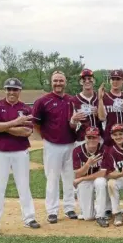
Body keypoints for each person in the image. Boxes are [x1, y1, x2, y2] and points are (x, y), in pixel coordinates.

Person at [0, 78, 40, 235]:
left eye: (15, 89)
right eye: (9, 89)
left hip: (20, 151)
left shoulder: (26, 109)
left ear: (19, 91)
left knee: (24, 185)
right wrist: (16, 122)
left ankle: (29, 218)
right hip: (0, 151)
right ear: (5, 90)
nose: (11, 92)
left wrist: (4, 127)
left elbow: (27, 132)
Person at [32, 70, 78, 223]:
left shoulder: (71, 100)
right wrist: (45, 137)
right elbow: (36, 123)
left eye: (61, 80)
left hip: (70, 143)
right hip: (52, 144)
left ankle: (69, 207)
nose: (58, 83)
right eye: (55, 80)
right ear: (51, 82)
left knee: (69, 177)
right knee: (52, 178)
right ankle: (52, 210)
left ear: (65, 82)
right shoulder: (43, 101)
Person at [72, 127, 108, 227]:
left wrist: (83, 178)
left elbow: (103, 173)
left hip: (95, 179)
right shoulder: (77, 150)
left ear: (99, 138)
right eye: (89, 137)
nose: (92, 140)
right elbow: (78, 174)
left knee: (101, 182)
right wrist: (88, 164)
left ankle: (101, 215)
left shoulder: (104, 149)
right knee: (88, 217)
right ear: (85, 138)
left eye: (94, 137)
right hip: (85, 182)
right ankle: (95, 210)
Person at [97, 69, 123, 146]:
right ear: (110, 81)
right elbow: (101, 118)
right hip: (109, 137)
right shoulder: (104, 97)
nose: (115, 81)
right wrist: (100, 98)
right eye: (113, 79)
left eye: (118, 79)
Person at [70, 68, 103, 146]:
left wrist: (98, 114)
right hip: (82, 140)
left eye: (89, 79)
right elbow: (72, 126)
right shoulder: (74, 100)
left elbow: (105, 120)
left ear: (94, 80)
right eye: (84, 79)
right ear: (80, 82)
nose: (87, 81)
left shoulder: (100, 97)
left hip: (99, 139)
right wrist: (73, 120)